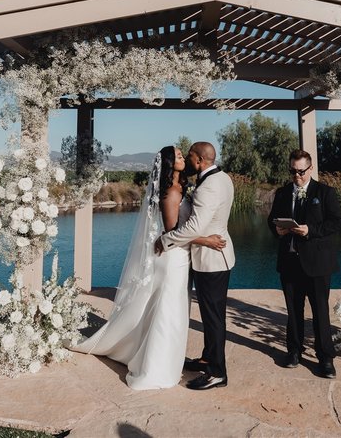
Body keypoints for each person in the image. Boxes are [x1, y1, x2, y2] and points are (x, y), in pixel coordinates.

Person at [73, 145, 226, 390]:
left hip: (179, 256)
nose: (182, 157)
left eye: (182, 154)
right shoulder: (171, 192)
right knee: (169, 312)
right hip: (174, 258)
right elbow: (171, 232)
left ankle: (165, 360)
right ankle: (157, 367)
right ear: (168, 164)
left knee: (172, 311)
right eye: (177, 155)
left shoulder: (179, 188)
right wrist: (205, 240)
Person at [157, 141, 235, 391]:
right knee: (212, 315)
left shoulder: (208, 186)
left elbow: (195, 227)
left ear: (199, 160)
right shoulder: (222, 178)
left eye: (189, 156)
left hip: (211, 258)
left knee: (213, 319)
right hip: (216, 254)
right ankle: (206, 358)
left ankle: (217, 373)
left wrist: (166, 239)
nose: (188, 159)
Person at [267, 149, 341, 378]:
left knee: (320, 311)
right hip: (289, 261)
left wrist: (311, 230)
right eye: (293, 171)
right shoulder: (282, 193)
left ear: (310, 169)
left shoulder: (325, 192)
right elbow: (271, 220)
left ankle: (326, 359)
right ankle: (294, 351)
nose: (297, 176)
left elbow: (337, 223)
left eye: (301, 171)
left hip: (317, 263)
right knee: (293, 310)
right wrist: (277, 229)